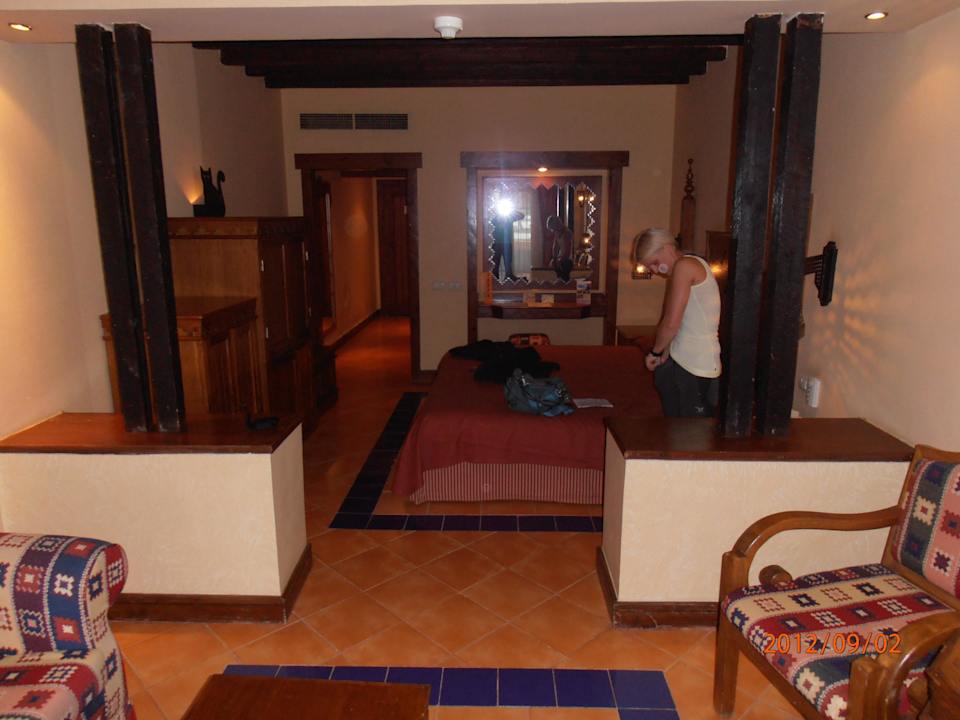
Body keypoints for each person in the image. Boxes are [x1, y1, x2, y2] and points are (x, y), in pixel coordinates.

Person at [634, 228, 721, 417]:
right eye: (651, 267)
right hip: (683, 360)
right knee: (676, 427)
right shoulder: (687, 266)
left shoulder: (685, 266)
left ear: (667, 248)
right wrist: (666, 352)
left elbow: (671, 322)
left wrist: (655, 352)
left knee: (691, 430)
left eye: (655, 263)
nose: (655, 271)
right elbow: (682, 322)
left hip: (696, 363)